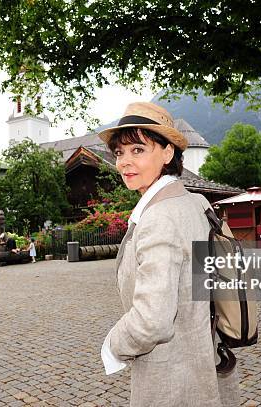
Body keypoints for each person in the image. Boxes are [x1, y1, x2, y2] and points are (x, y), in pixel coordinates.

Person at [98, 102, 221, 406]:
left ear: (167, 153)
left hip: (171, 378)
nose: (125, 162)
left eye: (137, 150)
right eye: (120, 153)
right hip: (206, 360)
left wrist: (113, 346)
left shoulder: (160, 217)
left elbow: (152, 320)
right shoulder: (197, 203)